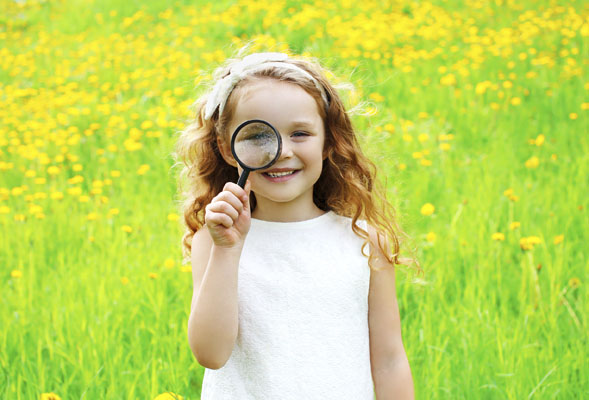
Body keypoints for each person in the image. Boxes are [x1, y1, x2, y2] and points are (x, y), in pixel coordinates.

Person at [175, 51, 415, 399]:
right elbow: (210, 354)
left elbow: (390, 361)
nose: (282, 151)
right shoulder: (215, 242)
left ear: (329, 142)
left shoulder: (364, 241)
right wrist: (228, 250)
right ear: (229, 150)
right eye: (258, 136)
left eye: (300, 133)